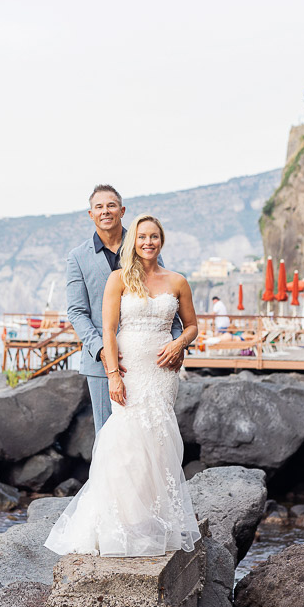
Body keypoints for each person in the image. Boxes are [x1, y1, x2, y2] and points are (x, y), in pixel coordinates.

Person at [45, 214, 201, 557]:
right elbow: (108, 331)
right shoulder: (118, 279)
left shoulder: (177, 281)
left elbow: (191, 326)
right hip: (129, 371)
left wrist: (179, 345)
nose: (148, 242)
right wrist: (113, 374)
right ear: (134, 241)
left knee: (158, 441)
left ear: (162, 241)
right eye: (142, 237)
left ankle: (152, 517)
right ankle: (123, 521)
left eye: (154, 237)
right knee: (124, 442)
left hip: (161, 373)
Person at [65, 185, 183, 434]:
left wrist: (178, 343)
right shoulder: (77, 257)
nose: (105, 211)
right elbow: (76, 312)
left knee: (150, 433)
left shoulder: (145, 244)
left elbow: (165, 298)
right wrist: (101, 350)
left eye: (111, 205)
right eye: (99, 207)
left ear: (122, 211)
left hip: (149, 361)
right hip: (101, 363)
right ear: (91, 214)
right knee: (108, 437)